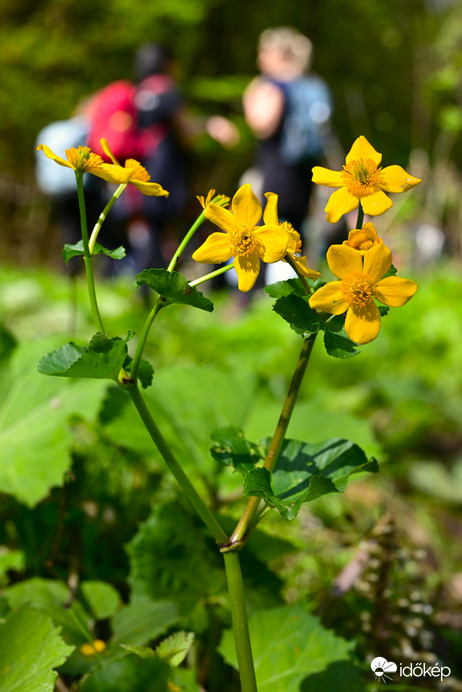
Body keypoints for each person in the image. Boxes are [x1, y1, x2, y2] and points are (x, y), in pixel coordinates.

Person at [243, 27, 333, 239]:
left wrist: (250, 97)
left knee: (268, 234)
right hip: (305, 171)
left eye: (263, 52)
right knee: (295, 235)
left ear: (279, 54)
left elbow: (262, 125)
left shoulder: (275, 86)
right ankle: (297, 273)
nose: (259, 58)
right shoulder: (311, 84)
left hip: (277, 172)